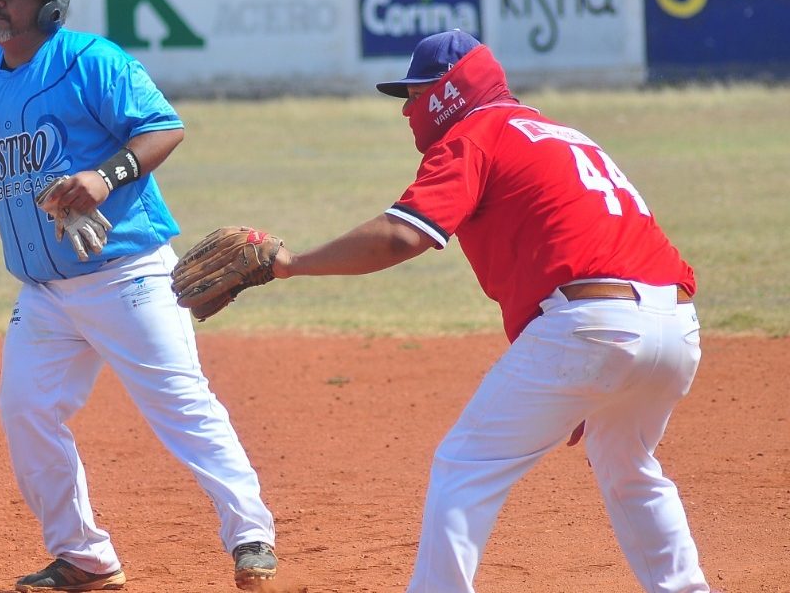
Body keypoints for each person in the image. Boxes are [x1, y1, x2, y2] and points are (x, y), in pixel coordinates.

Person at [267, 30, 709, 592]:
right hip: (675, 326)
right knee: (630, 469)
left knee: (465, 466)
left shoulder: (474, 134)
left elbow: (402, 236)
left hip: (592, 326)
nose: (406, 110)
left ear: (447, 91)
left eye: (414, 95)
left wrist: (292, 264)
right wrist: (591, 376)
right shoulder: (561, 133)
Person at [0, 0, 277, 590]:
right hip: (44, 294)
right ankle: (84, 556)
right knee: (25, 409)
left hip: (127, 274)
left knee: (181, 406)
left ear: (50, 6)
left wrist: (105, 177)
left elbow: (163, 127)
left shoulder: (92, 60)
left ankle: (250, 536)